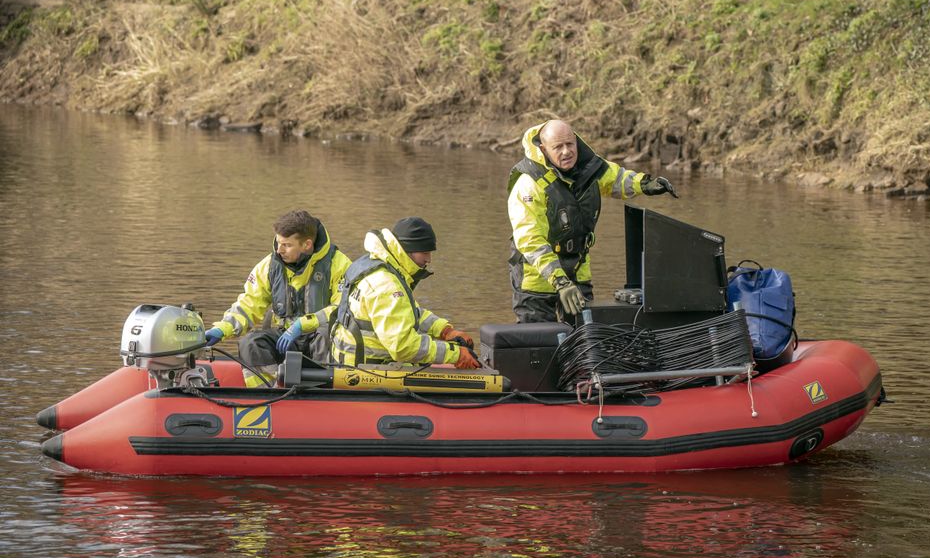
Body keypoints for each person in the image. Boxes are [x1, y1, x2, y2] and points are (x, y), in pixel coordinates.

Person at [507, 119, 678, 323]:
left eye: (570, 144)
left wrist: (646, 184)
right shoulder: (528, 185)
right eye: (558, 147)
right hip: (537, 280)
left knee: (586, 339)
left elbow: (615, 179)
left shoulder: (589, 167)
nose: (566, 152)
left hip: (577, 271)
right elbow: (531, 240)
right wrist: (560, 282)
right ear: (543, 149)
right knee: (539, 343)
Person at [204, 210, 352, 387]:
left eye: (287, 245)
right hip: (285, 339)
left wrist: (302, 325)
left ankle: (323, 395)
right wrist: (222, 329)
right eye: (278, 243)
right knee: (251, 342)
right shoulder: (269, 266)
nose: (279, 250)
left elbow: (342, 308)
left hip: (320, 339)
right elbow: (249, 304)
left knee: (325, 335)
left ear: (307, 244)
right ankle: (268, 395)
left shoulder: (340, 265)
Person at [329, 217, 480, 369]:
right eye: (425, 252)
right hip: (367, 370)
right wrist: (455, 354)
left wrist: (444, 330)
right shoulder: (386, 285)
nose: (429, 259)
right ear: (407, 250)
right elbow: (403, 347)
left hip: (354, 362)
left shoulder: (379, 265)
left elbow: (407, 311)